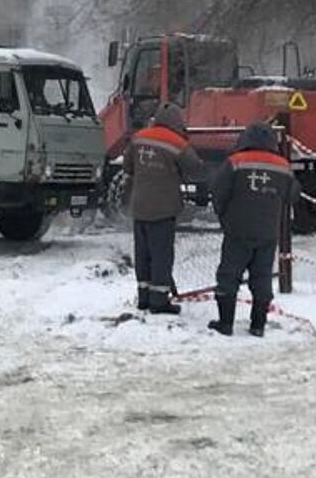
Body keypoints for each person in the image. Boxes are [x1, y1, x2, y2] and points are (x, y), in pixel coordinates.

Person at [208, 122, 299, 337]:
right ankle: (258, 325)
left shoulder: (235, 162)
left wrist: (224, 218)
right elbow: (293, 195)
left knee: (228, 277)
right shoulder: (282, 166)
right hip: (267, 232)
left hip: (237, 231)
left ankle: (226, 323)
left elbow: (218, 191)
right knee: (262, 278)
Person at [123, 102, 207, 315]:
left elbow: (127, 166)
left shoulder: (139, 137)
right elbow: (197, 170)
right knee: (161, 255)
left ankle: (143, 297)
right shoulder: (177, 143)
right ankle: (159, 301)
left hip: (139, 206)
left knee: (142, 254)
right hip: (163, 209)